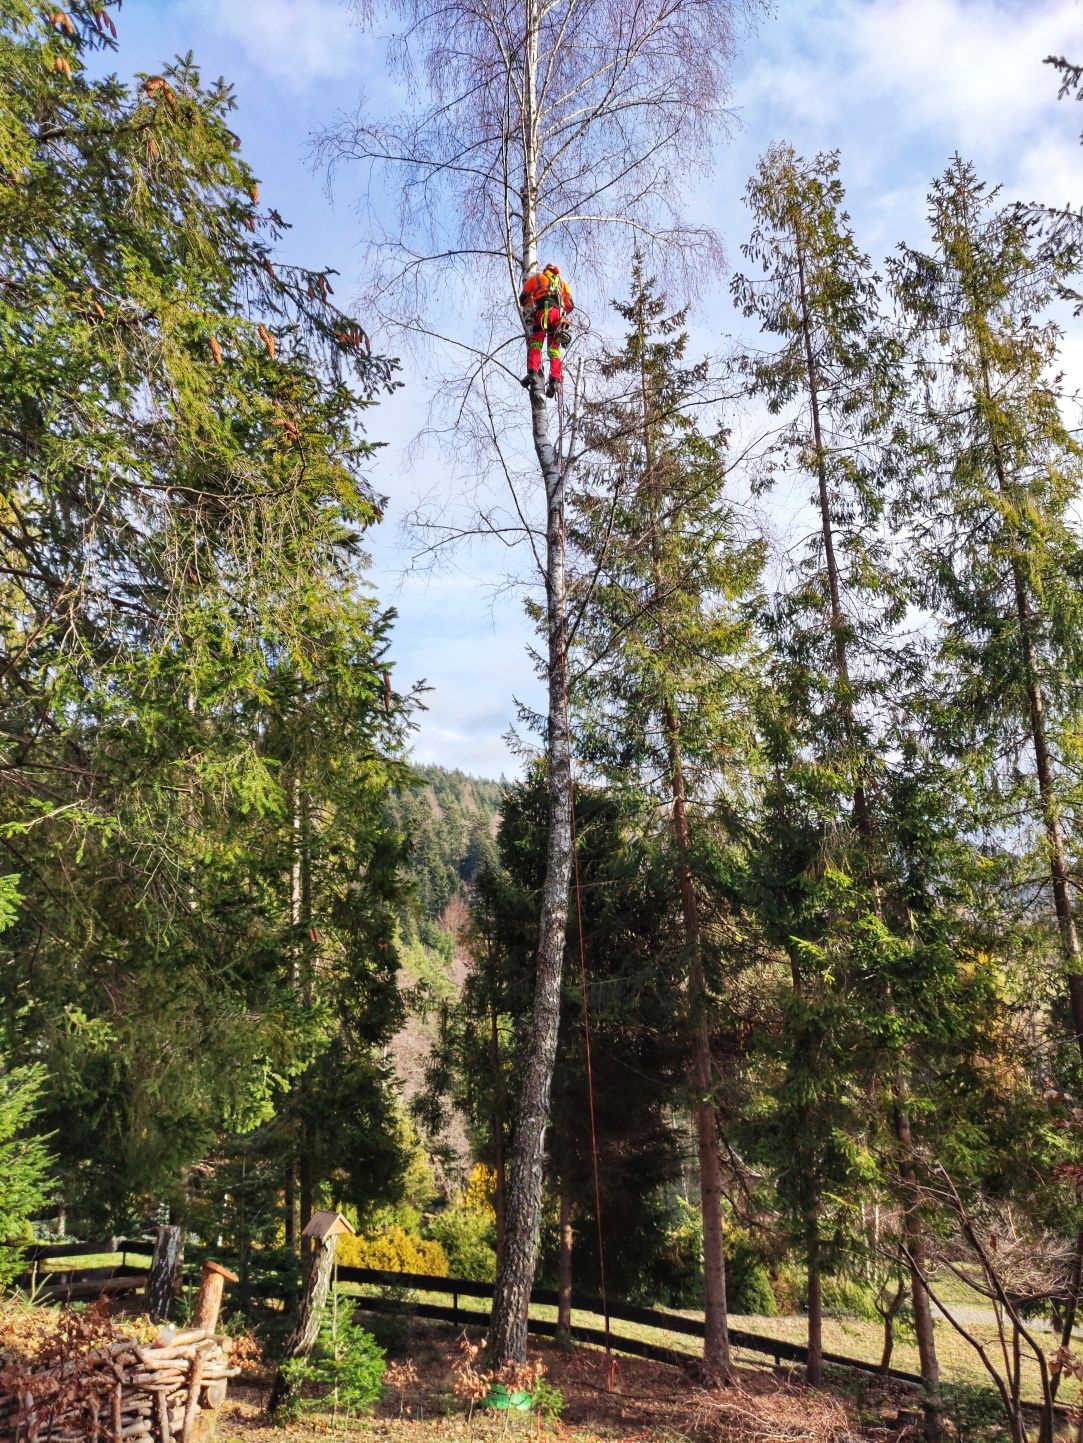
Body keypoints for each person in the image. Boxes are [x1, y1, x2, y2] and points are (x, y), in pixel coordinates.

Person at [519, 263, 573, 398]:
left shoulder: (537, 278)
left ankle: (533, 372)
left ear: (545, 271)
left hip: (543, 313)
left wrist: (532, 301)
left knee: (536, 343)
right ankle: (554, 379)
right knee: (554, 350)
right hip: (558, 316)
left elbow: (522, 298)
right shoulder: (562, 283)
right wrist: (561, 313)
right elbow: (571, 305)